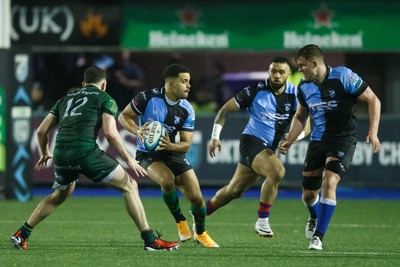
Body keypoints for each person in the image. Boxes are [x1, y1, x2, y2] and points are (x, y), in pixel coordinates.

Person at [10, 67, 179, 252]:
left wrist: (44, 152)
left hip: (60, 152)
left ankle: (22, 233)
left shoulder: (64, 100)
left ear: (83, 84)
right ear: (104, 84)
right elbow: (111, 134)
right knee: (130, 186)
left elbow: (42, 130)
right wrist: (129, 159)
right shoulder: (105, 98)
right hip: (85, 151)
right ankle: (150, 240)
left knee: (60, 195)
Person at [278, 44, 381, 251]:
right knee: (308, 195)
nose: (300, 70)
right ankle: (314, 217)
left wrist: (373, 131)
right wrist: (290, 138)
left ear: (315, 63)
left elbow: (373, 99)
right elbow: (300, 115)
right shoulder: (304, 87)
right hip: (318, 141)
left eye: (302, 65)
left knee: (330, 180)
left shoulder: (343, 77)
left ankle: (318, 237)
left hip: (343, 139)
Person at [118, 63, 219, 248]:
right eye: (184, 82)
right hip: (148, 154)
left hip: (173, 153)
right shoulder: (147, 98)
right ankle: (180, 220)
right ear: (171, 84)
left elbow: (186, 144)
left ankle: (201, 233)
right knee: (167, 181)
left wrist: (172, 145)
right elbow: (123, 116)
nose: (189, 86)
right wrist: (138, 131)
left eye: (189, 81)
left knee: (197, 199)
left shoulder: (187, 108)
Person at [207, 57, 309, 237]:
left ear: (288, 75)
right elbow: (224, 110)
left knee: (234, 190)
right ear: (268, 72)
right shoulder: (254, 91)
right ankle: (262, 221)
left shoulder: (296, 94)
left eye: (281, 72)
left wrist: (295, 138)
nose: (276, 75)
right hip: (252, 141)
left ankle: (200, 213)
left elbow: (306, 124)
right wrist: (215, 136)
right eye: (273, 71)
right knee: (277, 171)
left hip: (268, 148)